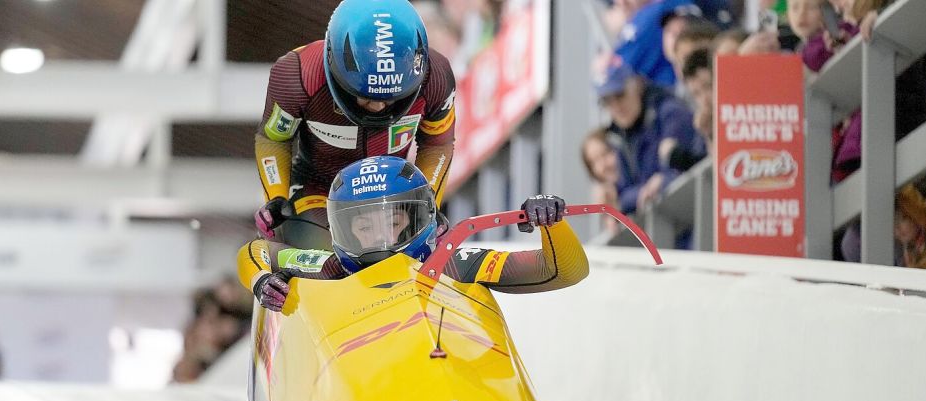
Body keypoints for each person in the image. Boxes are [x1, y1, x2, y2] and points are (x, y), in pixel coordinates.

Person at [238, 156, 589, 311]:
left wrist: (552, 224)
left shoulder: (453, 263)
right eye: (363, 226)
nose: (380, 238)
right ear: (341, 229)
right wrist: (260, 282)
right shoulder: (331, 266)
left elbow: (561, 270)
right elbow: (257, 251)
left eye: (392, 222)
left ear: (419, 219)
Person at [253, 0, 457, 249]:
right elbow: (274, 138)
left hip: (391, 198)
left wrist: (428, 202)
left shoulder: (436, 77)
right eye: (366, 96)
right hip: (318, 193)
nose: (378, 107)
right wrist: (276, 196)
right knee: (325, 259)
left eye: (392, 97)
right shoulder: (297, 75)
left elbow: (437, 144)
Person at [596, 60, 700, 215]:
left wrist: (662, 181)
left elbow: (681, 172)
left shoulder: (670, 113)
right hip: (659, 227)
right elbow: (622, 197)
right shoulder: (618, 136)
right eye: (607, 101)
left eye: (619, 95)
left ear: (636, 85)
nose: (616, 106)